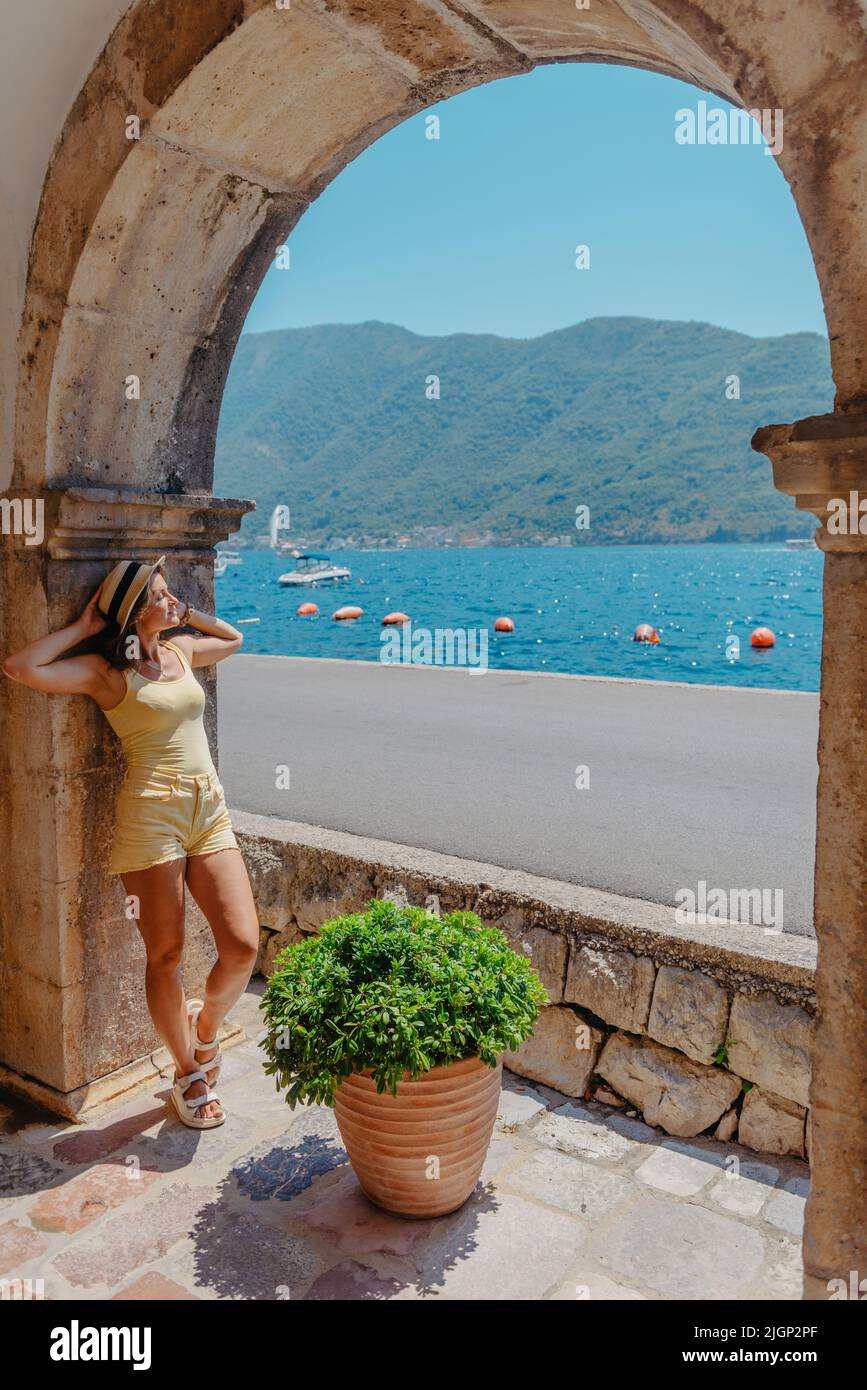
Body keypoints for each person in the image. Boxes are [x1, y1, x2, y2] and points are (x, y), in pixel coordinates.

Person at [1, 555, 259, 1129]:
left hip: (209, 812)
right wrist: (84, 627)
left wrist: (187, 614)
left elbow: (234, 639)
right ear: (135, 612)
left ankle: (205, 1033)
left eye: (171, 594)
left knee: (243, 945)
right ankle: (188, 1074)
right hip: (151, 821)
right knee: (165, 955)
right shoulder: (107, 673)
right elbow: (20, 667)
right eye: (161, 596)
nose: (172, 601)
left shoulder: (181, 650)